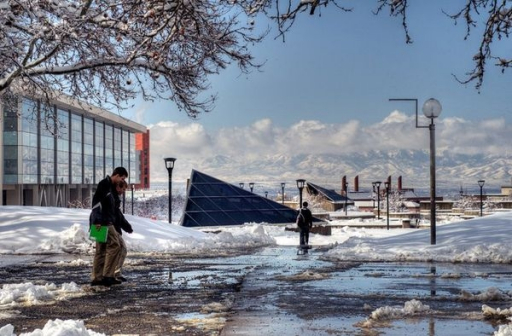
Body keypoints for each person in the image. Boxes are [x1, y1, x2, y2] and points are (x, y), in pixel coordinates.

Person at [90, 167, 128, 287]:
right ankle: (107, 276)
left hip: (101, 221)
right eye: (122, 178)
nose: (122, 180)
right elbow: (96, 203)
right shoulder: (105, 184)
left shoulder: (110, 186)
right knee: (115, 245)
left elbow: (113, 209)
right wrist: (97, 220)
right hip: (102, 222)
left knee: (101, 250)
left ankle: (98, 277)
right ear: (116, 175)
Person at [113, 180, 133, 282]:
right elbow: (118, 216)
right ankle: (115, 273)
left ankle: (111, 273)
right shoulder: (113, 198)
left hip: (111, 227)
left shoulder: (113, 197)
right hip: (112, 228)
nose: (123, 191)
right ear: (118, 187)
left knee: (113, 251)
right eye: (123, 189)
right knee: (121, 249)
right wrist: (127, 227)